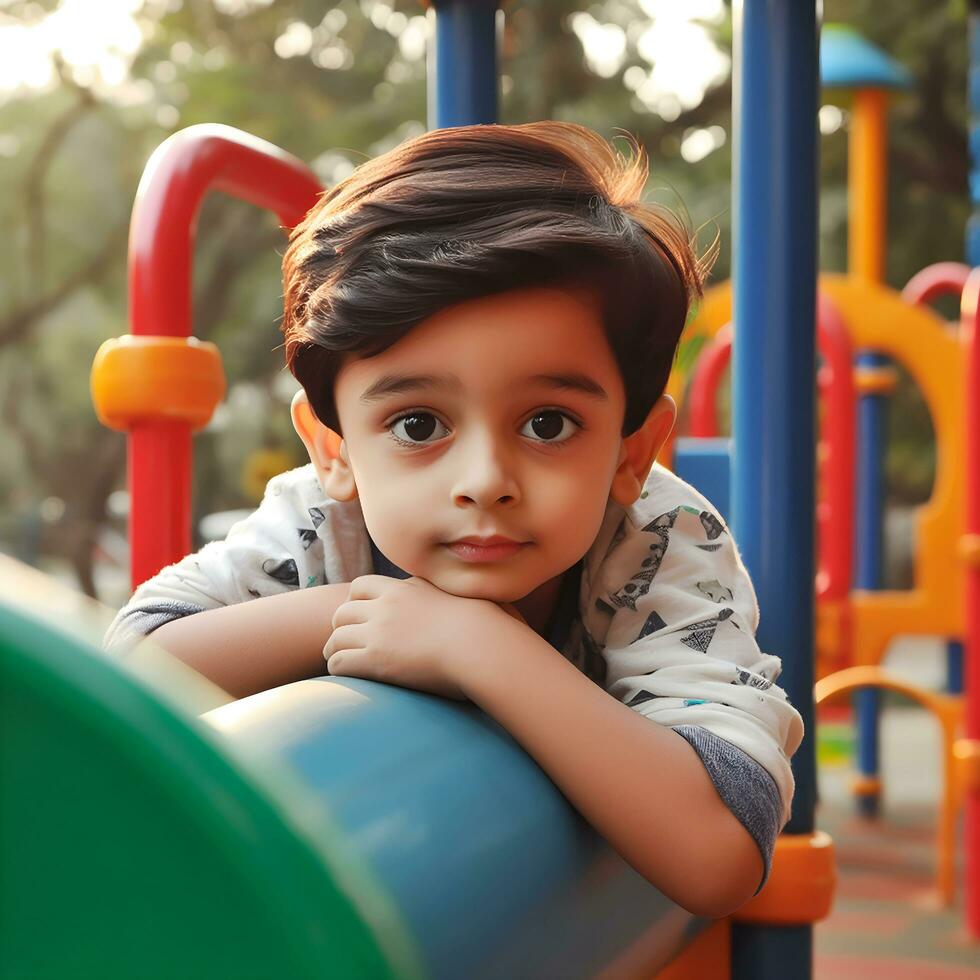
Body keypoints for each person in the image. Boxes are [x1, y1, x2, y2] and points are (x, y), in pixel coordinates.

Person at [105, 121, 803, 918]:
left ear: (630, 453)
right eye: (417, 425)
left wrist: (476, 644)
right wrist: (354, 610)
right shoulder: (324, 517)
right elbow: (129, 676)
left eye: (547, 423)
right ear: (331, 448)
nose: (484, 482)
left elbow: (720, 852)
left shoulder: (651, 538)